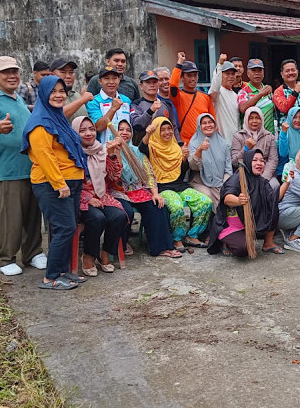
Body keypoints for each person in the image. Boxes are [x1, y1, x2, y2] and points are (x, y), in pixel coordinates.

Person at [0, 56, 46, 276]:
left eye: (14, 71)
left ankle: (33, 252)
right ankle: (6, 257)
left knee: (33, 214)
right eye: (5, 72)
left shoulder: (17, 98)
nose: (12, 76)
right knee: (12, 216)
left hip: (30, 166)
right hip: (7, 169)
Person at [22, 76, 87, 289]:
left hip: (71, 180)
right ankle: (50, 277)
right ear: (43, 93)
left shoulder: (57, 117)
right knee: (64, 228)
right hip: (53, 183)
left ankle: (63, 271)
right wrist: (59, 184)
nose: (59, 95)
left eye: (62, 91)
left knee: (68, 228)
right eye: (53, 91)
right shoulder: (41, 121)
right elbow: (44, 155)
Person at [112, 120, 181, 257]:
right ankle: (122, 244)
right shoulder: (107, 149)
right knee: (125, 212)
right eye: (121, 129)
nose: (125, 133)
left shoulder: (137, 152)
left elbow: (149, 174)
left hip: (138, 190)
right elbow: (115, 176)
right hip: (118, 192)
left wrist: (155, 193)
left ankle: (161, 247)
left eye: (128, 130)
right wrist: (116, 151)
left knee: (158, 206)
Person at [140, 117, 212, 250]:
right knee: (177, 206)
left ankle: (192, 235)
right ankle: (177, 238)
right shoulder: (152, 147)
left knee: (205, 202)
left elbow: (182, 172)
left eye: (169, 129)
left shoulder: (177, 147)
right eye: (162, 130)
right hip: (162, 188)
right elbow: (142, 147)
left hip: (180, 186)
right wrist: (148, 133)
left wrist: (184, 158)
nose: (167, 132)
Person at [72, 116, 127, 275]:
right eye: (82, 131)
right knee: (97, 218)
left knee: (119, 215)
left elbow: (113, 177)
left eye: (91, 129)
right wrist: (88, 199)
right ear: (75, 133)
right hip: (80, 198)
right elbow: (72, 185)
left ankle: (106, 252)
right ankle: (88, 256)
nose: (88, 133)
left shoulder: (101, 150)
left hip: (102, 195)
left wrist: (111, 155)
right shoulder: (72, 152)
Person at [207, 149, 284, 257]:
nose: (259, 163)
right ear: (247, 161)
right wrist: (238, 200)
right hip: (231, 225)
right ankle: (225, 242)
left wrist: (287, 182)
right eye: (255, 160)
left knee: (272, 205)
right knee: (244, 249)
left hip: (250, 223)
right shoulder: (237, 177)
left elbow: (275, 198)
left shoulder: (262, 181)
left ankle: (268, 243)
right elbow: (227, 198)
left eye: (262, 160)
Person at [169, 53, 216, 144]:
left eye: (195, 75)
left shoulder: (205, 97)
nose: (193, 78)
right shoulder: (178, 97)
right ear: (182, 77)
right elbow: (173, 84)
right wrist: (179, 63)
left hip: (206, 142)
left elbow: (213, 120)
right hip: (187, 143)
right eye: (189, 75)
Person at [188, 113, 232, 208]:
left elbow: (228, 168)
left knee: (229, 198)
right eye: (204, 123)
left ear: (215, 125)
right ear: (200, 126)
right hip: (200, 183)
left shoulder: (223, 143)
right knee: (207, 197)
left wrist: (225, 184)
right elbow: (193, 166)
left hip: (220, 183)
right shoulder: (194, 143)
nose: (208, 125)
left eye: (210, 122)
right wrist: (199, 150)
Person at [231, 106, 279, 189]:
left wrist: (264, 178)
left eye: (257, 118)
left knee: (275, 185)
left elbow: (273, 160)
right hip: (245, 175)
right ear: (246, 120)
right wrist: (246, 148)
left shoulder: (269, 136)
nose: (254, 121)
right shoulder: (238, 136)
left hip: (265, 174)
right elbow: (235, 162)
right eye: (251, 118)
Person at [130, 70, 179, 144]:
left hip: (164, 148)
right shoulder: (136, 104)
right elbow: (136, 125)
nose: (152, 85)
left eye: (154, 82)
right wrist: (150, 111)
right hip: (145, 148)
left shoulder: (166, 105)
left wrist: (180, 144)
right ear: (141, 86)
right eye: (148, 82)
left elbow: (174, 127)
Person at [85, 66, 132, 144]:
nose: (111, 82)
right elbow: (98, 127)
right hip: (105, 149)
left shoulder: (126, 100)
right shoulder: (94, 102)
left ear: (119, 80)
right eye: (106, 78)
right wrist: (113, 109)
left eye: (114, 78)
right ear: (100, 81)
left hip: (126, 149)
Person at [273, 59, 300, 128]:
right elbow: (284, 108)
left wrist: (293, 112)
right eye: (287, 71)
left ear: (297, 71)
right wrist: (295, 93)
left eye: (293, 70)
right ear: (282, 74)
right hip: (286, 134)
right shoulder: (278, 91)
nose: (290, 73)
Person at [237, 59, 275, 133]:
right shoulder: (243, 92)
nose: (257, 73)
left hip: (269, 137)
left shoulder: (269, 91)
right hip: (250, 138)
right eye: (253, 70)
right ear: (248, 73)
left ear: (263, 73)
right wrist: (260, 94)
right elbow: (242, 108)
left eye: (259, 70)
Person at [209, 55, 240, 141]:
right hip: (221, 141)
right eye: (227, 73)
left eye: (233, 74)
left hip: (235, 142)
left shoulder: (235, 95)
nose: (230, 76)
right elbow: (215, 84)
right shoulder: (218, 93)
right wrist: (220, 64)